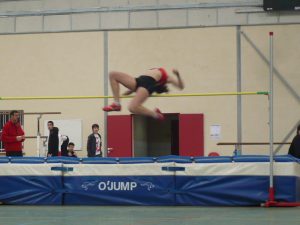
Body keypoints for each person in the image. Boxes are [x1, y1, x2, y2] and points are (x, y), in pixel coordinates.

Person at [103, 68, 184, 120]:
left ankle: (155, 115)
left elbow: (181, 87)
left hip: (148, 84)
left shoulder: (167, 78)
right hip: (139, 80)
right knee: (112, 74)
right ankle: (117, 104)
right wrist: (130, 91)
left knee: (132, 107)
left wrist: (177, 74)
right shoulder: (156, 71)